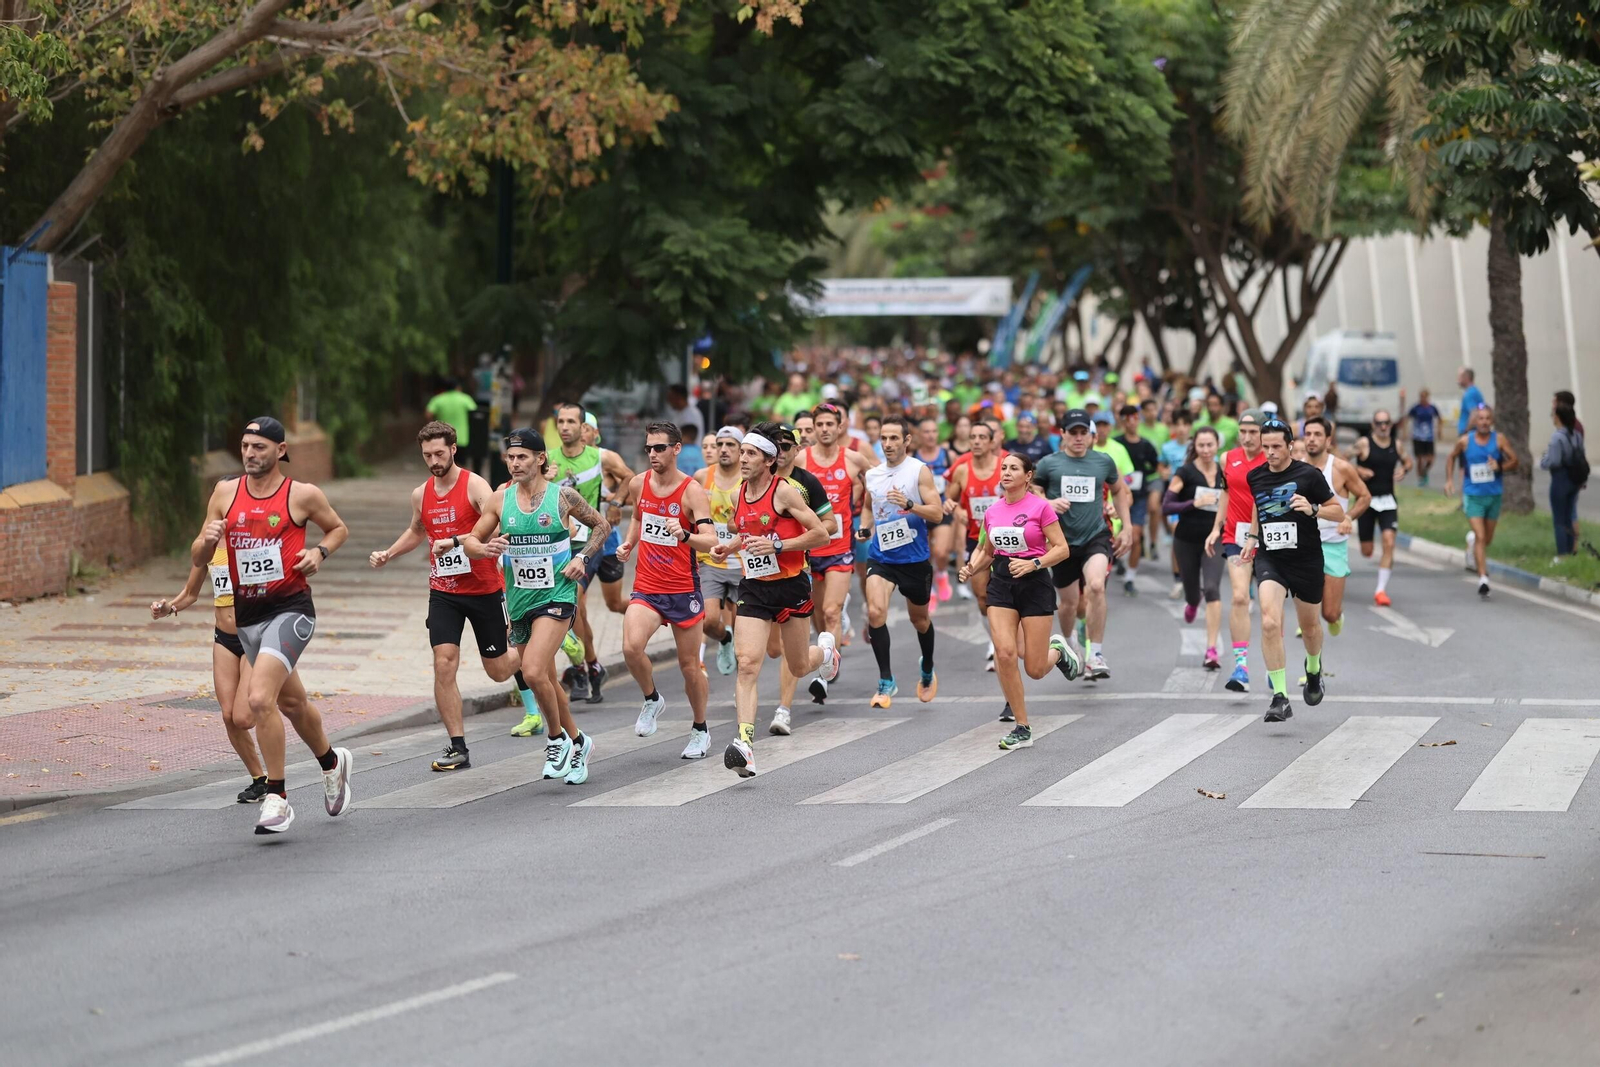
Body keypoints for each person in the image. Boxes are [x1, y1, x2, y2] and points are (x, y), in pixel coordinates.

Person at [190, 416, 352, 835]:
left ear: (280, 450)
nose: (249, 454)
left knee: (261, 699)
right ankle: (332, 763)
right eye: (245, 446)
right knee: (293, 704)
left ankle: (277, 797)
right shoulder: (225, 493)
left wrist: (319, 553)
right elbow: (197, 556)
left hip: (292, 611)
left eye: (259, 447)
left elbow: (338, 529)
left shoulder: (301, 495)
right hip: (248, 619)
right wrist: (208, 539)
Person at [369, 421, 537, 770]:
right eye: (427, 455)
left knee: (498, 671)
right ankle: (457, 746)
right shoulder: (421, 494)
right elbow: (417, 530)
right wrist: (390, 552)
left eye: (439, 453)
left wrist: (482, 543)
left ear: (454, 449)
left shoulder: (475, 485)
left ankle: (531, 648)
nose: (433, 460)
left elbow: (500, 521)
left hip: (486, 590)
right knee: (443, 663)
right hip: (444, 592)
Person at [462, 428, 610, 784]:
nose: (515, 463)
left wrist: (584, 558)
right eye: (511, 457)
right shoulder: (500, 501)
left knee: (530, 671)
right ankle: (579, 741)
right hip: (519, 601)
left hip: (557, 595)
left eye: (522, 457)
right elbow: (470, 541)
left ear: (540, 459)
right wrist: (483, 549)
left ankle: (556, 739)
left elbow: (601, 526)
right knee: (542, 675)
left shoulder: (564, 497)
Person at [711, 429, 838, 777]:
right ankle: (745, 744)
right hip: (754, 586)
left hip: (791, 585)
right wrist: (731, 546)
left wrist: (779, 546)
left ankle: (826, 652)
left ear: (769, 461)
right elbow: (747, 531)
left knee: (798, 666)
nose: (743, 459)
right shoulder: (740, 492)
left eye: (752, 454)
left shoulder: (784, 491)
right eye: (742, 452)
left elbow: (822, 533)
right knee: (748, 663)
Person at [958, 452, 1082, 749]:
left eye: (1014, 468)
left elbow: (1062, 549)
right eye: (1003, 467)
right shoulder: (993, 511)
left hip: (1034, 582)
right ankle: (1022, 726)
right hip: (1001, 582)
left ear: (1028, 476)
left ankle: (1059, 651)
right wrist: (971, 567)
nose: (1006, 472)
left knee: (1036, 669)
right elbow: (987, 551)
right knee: (1004, 653)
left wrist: (1035, 563)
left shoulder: (1040, 508)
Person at [615, 422, 717, 758]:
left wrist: (685, 535)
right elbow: (638, 516)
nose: (653, 454)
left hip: (683, 589)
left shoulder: (692, 491)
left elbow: (711, 540)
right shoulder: (638, 483)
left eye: (659, 448)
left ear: (676, 448)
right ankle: (651, 699)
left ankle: (700, 729)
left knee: (689, 666)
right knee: (631, 648)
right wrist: (630, 542)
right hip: (647, 585)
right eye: (648, 449)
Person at [1238, 419, 1346, 722]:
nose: (1270, 452)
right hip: (1271, 559)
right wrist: (1252, 536)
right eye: (1265, 447)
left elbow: (1337, 510)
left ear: (1289, 446)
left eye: (1276, 447)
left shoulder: (1308, 475)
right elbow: (1259, 506)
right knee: (1270, 621)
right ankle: (1280, 697)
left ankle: (1313, 669)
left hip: (1306, 560)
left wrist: (1313, 509)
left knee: (1310, 627)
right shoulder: (1255, 476)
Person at [151, 543, 271, 803]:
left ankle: (269, 702)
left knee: (244, 717)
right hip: (224, 638)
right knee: (228, 715)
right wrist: (168, 607)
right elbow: (190, 593)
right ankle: (259, 780)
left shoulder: (253, 536)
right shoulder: (209, 543)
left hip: (254, 635)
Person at [1034, 409, 1131, 680]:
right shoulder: (1048, 464)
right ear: (1062, 435)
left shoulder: (1103, 462)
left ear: (1091, 436)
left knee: (1096, 586)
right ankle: (1070, 645)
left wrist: (1128, 527)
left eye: (1083, 433)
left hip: (1095, 536)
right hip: (1061, 542)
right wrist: (1047, 504)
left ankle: (1095, 653)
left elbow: (1119, 490)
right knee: (1067, 604)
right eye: (1073, 433)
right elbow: (1033, 492)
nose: (1078, 438)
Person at [548, 402, 633, 702]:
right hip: (558, 543)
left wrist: (616, 504)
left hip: (592, 539)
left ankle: (582, 668)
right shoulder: (547, 461)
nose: (566, 427)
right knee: (577, 610)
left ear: (583, 427)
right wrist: (545, 478)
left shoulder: (601, 457)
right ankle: (590, 666)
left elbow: (630, 478)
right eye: (561, 421)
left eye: (572, 421)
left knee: (586, 604)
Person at [858, 414, 944, 706]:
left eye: (894, 438)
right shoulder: (873, 475)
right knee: (875, 613)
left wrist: (910, 504)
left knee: (919, 620)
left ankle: (928, 667)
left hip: (914, 559)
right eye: (883, 438)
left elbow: (937, 513)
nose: (888, 444)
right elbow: (869, 506)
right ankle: (886, 680)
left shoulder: (919, 471)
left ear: (907, 440)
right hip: (882, 557)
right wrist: (865, 527)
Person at [764, 422, 837, 729]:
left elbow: (829, 524)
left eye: (785, 446)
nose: (779, 452)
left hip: (795, 570)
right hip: (761, 573)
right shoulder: (757, 481)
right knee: (773, 649)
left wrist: (795, 536)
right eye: (774, 446)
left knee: (789, 644)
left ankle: (783, 710)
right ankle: (825, 653)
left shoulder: (805, 483)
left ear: (796, 449)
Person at [800, 403, 872, 705]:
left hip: (841, 548)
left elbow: (876, 486)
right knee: (817, 612)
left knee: (831, 610)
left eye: (831, 424)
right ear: (814, 428)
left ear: (840, 426)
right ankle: (829, 655)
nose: (826, 429)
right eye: (821, 424)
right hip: (809, 548)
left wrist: (866, 518)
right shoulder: (802, 459)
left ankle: (823, 676)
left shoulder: (854, 459)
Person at [1205, 409, 1267, 692]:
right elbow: (1226, 494)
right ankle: (1241, 666)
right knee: (1240, 597)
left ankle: (1272, 664)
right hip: (1235, 535)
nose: (1247, 437)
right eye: (1243, 431)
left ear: (1264, 433)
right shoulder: (1228, 458)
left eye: (1253, 432)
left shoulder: (1274, 458)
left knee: (1269, 606)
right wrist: (1217, 528)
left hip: (1268, 539)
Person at [1163, 426, 1226, 670]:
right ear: (1195, 447)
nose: (1206, 450)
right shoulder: (1185, 472)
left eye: (1210, 445)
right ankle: (1191, 601)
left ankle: (1211, 650)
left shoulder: (1224, 472)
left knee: (1212, 588)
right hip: (1186, 539)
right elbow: (1167, 506)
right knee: (1193, 592)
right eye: (1201, 446)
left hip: (1215, 538)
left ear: (1217, 445)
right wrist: (1193, 503)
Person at [1303, 417, 1370, 637]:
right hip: (1303, 547)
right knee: (1308, 619)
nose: (1312, 439)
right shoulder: (1296, 467)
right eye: (1308, 434)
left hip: (1332, 545)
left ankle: (1337, 616)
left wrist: (1348, 517)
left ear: (1328, 440)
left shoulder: (1341, 468)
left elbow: (1364, 496)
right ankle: (1314, 670)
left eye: (1318, 435)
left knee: (1329, 614)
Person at [947, 420, 1005, 673]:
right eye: (973, 437)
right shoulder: (962, 470)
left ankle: (1004, 641)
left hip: (1006, 540)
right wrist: (957, 509)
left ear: (992, 442)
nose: (978, 441)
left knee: (1006, 596)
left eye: (983, 437)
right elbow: (949, 500)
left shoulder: (1005, 466)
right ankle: (994, 642)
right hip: (978, 541)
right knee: (982, 596)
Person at [1445, 404, 1519, 598]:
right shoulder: (1465, 442)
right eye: (1481, 418)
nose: (1484, 422)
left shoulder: (1499, 440)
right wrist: (1449, 481)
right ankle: (1483, 578)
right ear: (1475, 421)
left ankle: (1471, 544)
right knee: (1480, 536)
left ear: (1491, 421)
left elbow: (1515, 460)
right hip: (1473, 495)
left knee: (1487, 538)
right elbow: (1451, 457)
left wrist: (1500, 465)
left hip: (1493, 495)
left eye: (1487, 418)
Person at [694, 427, 745, 682]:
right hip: (710, 561)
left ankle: (743, 688)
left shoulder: (748, 479)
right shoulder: (703, 476)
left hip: (742, 563)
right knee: (708, 620)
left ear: (741, 450)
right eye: (720, 444)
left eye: (730, 445)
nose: (723, 449)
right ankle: (724, 638)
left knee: (744, 636)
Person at [1352, 410, 1411, 606]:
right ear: (1373, 424)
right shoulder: (1364, 443)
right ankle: (1369, 547)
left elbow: (1408, 460)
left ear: (1391, 424)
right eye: (1379, 423)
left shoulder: (1397, 445)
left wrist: (1405, 468)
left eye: (1387, 423)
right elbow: (1341, 459)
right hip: (1366, 501)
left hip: (1387, 501)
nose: (1383, 427)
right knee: (1366, 551)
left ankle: (1380, 590)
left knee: (1389, 541)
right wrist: (1358, 470)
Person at [1116, 404, 1162, 597]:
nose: (1131, 422)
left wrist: (1150, 477)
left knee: (1135, 536)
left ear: (1139, 420)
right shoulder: (1116, 444)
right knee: (1115, 536)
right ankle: (1116, 560)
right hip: (1116, 497)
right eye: (1127, 418)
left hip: (1138, 496)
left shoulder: (1146, 445)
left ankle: (1130, 577)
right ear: (1122, 422)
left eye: (1134, 418)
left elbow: (1156, 466)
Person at [913, 416, 958, 606]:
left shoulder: (948, 455)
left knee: (941, 551)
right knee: (926, 554)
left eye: (933, 431)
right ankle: (930, 588)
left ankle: (941, 573)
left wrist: (951, 499)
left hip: (942, 508)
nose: (930, 435)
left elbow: (956, 482)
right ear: (919, 435)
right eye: (926, 432)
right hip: (921, 511)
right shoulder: (913, 457)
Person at [1541, 403, 1587, 558]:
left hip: (1560, 478)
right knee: (1569, 516)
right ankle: (1571, 549)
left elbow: (1554, 461)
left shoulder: (1557, 437)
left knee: (1559, 519)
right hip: (1574, 478)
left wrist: (1543, 460)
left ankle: (1562, 554)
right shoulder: (1576, 435)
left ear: (1558, 417)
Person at [428, 377, 482, 476]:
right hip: (461, 438)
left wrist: (434, 426)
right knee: (460, 464)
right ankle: (462, 482)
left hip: (442, 438)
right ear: (458, 388)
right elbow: (475, 413)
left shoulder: (438, 399)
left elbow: (428, 413)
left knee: (445, 463)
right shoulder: (465, 398)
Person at [1404, 389, 1441, 486]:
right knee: (1420, 459)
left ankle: (1424, 472)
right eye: (1421, 397)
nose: (1423, 399)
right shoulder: (1416, 408)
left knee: (1430, 459)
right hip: (1418, 437)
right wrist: (1405, 431)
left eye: (1425, 397)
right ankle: (1420, 478)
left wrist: (1439, 431)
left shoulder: (1432, 408)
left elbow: (1439, 418)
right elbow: (1407, 418)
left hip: (1429, 437)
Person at [1456, 367, 1485, 437]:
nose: (1457, 380)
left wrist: (1466, 431)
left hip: (1469, 434)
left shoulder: (1469, 394)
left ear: (1466, 378)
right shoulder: (1476, 391)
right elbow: (1481, 407)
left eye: (1459, 377)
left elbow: (1474, 413)